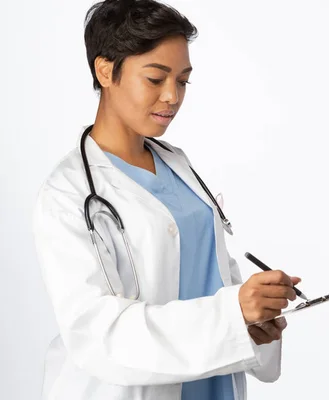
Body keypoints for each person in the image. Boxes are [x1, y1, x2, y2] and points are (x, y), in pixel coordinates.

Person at [31, 0, 301, 399]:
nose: (172, 96)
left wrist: (252, 319)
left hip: (214, 385)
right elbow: (96, 332)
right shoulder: (68, 194)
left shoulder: (177, 162)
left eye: (183, 80)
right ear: (105, 71)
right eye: (156, 79)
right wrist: (231, 314)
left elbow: (214, 272)